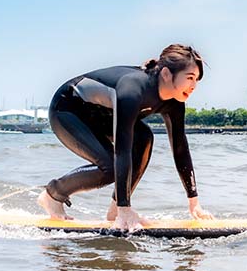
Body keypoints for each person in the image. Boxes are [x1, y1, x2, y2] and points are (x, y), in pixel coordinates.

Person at [38, 44, 214, 230]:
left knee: (144, 138)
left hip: (101, 114)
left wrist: (194, 204)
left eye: (197, 80)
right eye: (190, 78)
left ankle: (114, 210)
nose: (194, 86)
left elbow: (180, 148)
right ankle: (52, 194)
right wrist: (126, 209)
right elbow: (122, 149)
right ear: (166, 74)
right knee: (109, 167)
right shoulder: (133, 89)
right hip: (67, 110)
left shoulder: (175, 101)